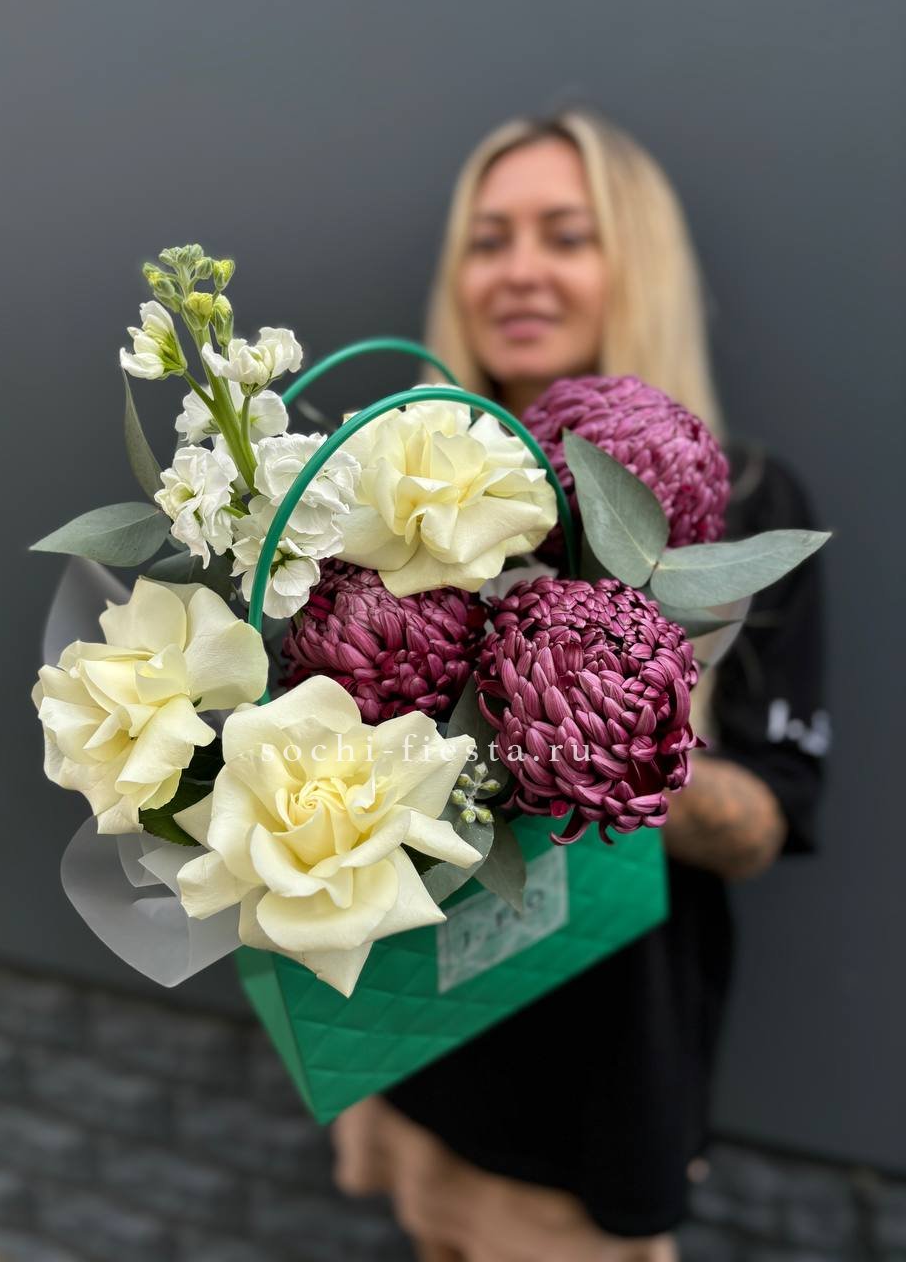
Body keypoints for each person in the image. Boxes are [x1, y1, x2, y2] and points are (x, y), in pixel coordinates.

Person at [331, 111, 827, 1262]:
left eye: (566, 234)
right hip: (410, 1040)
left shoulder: (748, 502)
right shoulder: (390, 504)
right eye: (488, 239)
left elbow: (768, 818)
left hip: (596, 1097)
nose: (520, 270)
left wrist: (595, 730)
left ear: (635, 262)